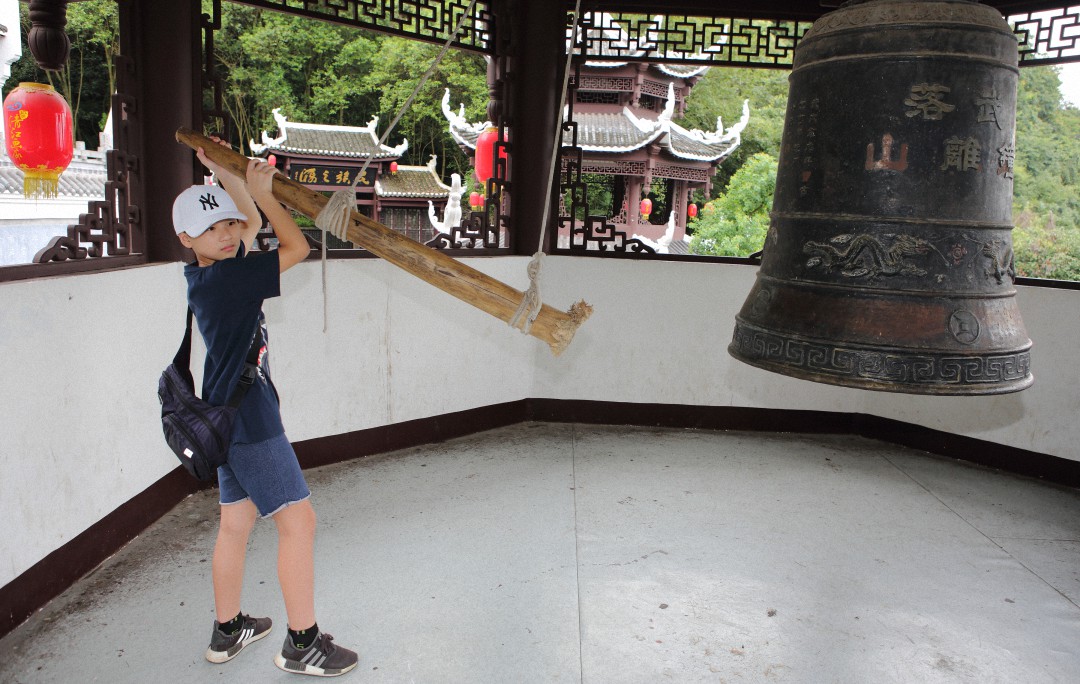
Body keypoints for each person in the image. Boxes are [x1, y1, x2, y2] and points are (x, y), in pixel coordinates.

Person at [172, 140, 358, 677]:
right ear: (186, 239)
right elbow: (297, 246)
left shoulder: (207, 275)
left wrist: (228, 174)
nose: (227, 234)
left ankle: (228, 630)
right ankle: (303, 643)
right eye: (212, 229)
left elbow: (250, 222)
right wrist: (266, 195)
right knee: (299, 522)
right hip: (251, 422)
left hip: (223, 419)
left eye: (227, 224)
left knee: (236, 523)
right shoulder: (231, 277)